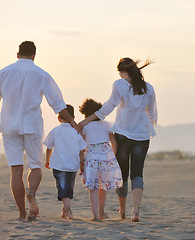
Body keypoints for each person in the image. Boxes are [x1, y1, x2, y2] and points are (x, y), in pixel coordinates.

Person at [0, 41, 79, 221]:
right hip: (32, 126)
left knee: (16, 170)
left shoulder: (3, 73)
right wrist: (74, 122)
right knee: (35, 166)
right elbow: (58, 105)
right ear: (34, 56)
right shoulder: (41, 74)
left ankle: (21, 214)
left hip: (9, 127)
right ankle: (31, 193)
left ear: (17, 55)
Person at [79, 57, 157, 222]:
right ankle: (135, 211)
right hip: (142, 136)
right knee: (137, 174)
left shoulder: (119, 85)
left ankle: (122, 210)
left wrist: (86, 121)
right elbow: (152, 113)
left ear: (123, 71)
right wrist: (145, 126)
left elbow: (108, 107)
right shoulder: (148, 88)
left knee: (123, 173)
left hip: (123, 134)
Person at [79, 98, 123, 221]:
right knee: (102, 186)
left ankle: (96, 216)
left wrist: (81, 161)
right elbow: (113, 142)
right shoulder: (107, 125)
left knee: (92, 188)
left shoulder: (85, 126)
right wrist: (111, 157)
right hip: (105, 157)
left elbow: (81, 145)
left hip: (91, 157)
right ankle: (102, 212)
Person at [43, 104, 87, 220]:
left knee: (62, 187)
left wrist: (47, 160)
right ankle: (64, 209)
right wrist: (82, 164)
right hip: (73, 165)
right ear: (73, 117)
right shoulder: (76, 132)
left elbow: (49, 147)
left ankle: (68, 211)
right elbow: (82, 151)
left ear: (58, 118)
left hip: (59, 165)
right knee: (68, 187)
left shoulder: (55, 131)